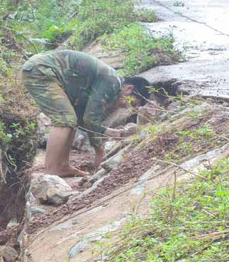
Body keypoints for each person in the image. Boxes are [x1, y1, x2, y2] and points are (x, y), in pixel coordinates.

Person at [21, 50, 151, 177]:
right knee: (65, 119)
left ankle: (62, 166)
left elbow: (83, 120)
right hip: (41, 71)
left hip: (45, 71)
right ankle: (50, 171)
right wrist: (100, 153)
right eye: (132, 103)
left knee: (72, 120)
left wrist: (108, 131)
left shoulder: (110, 83)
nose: (127, 107)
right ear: (129, 88)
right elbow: (91, 118)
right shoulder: (113, 82)